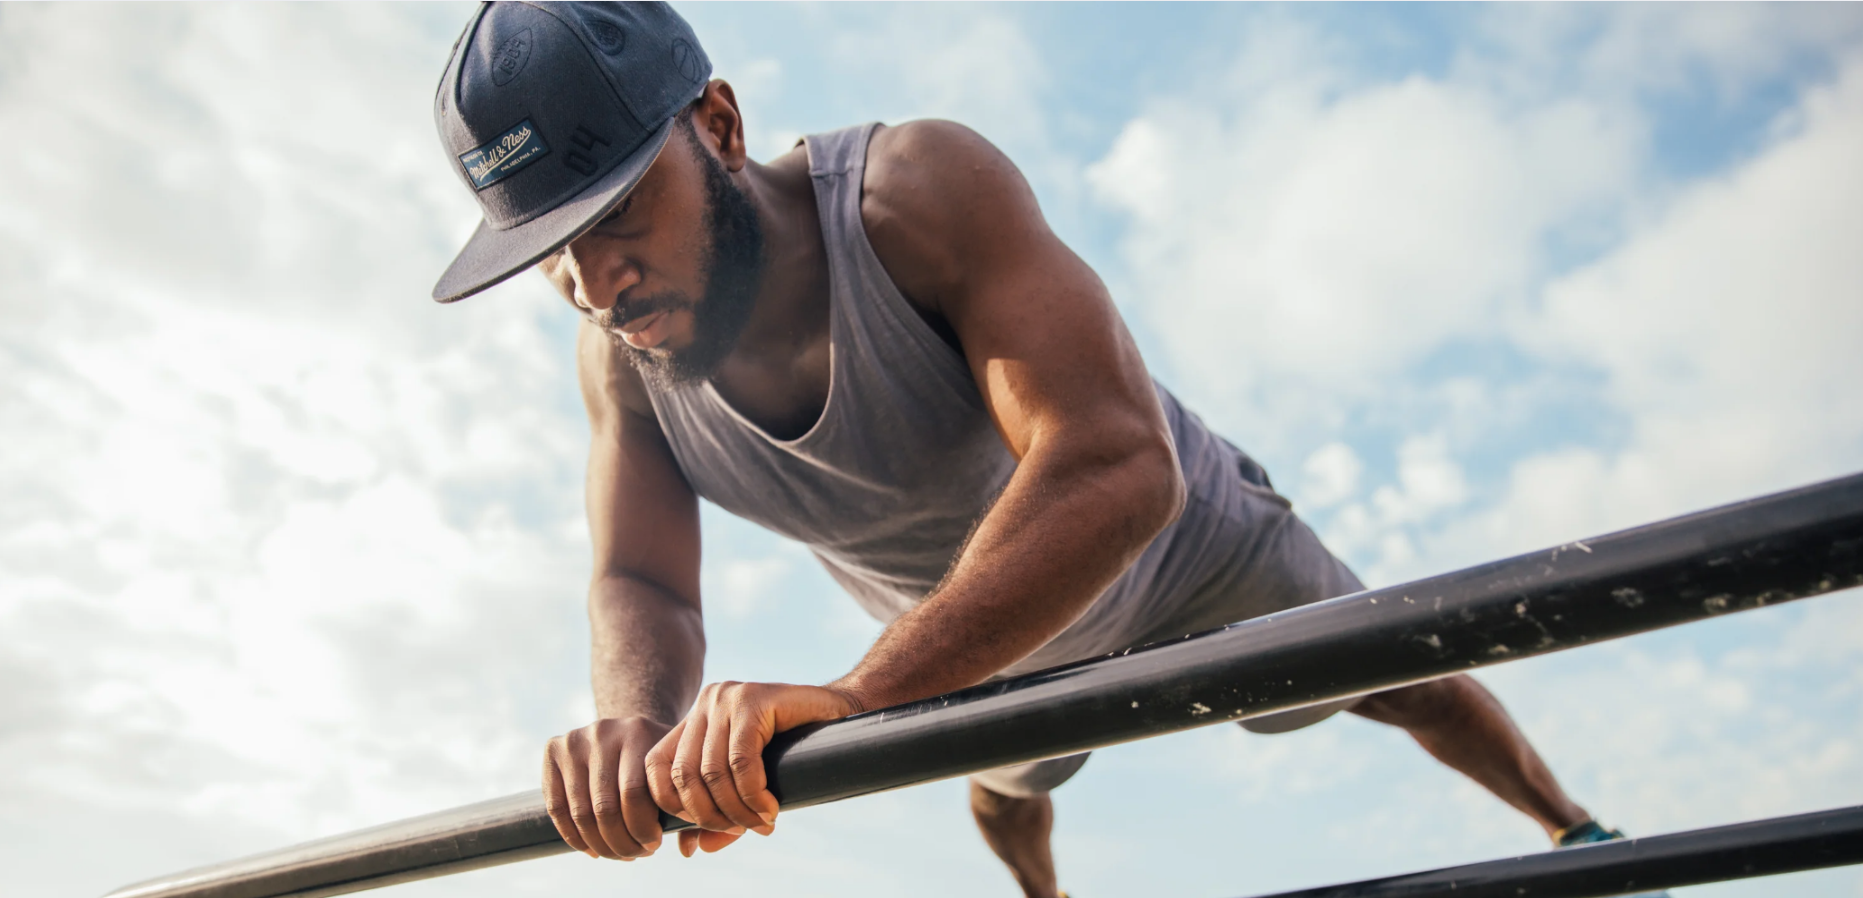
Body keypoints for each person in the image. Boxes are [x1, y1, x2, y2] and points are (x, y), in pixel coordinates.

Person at [429, 4, 1662, 895]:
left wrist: (858, 697)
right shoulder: (621, 362)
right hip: (967, 637)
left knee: (1398, 666)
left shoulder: (913, 192)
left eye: (618, 210)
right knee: (1004, 795)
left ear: (720, 123)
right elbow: (639, 577)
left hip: (1184, 543)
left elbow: (1114, 462)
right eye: (551, 249)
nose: (593, 281)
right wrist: (636, 727)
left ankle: (1574, 829)